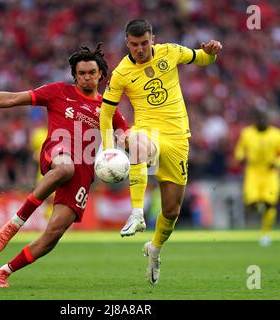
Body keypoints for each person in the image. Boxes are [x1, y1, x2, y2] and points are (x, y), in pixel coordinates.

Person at [0, 44, 129, 287]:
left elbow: (125, 133)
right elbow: (11, 98)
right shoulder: (59, 91)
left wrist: (130, 142)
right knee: (64, 168)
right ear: (75, 75)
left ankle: (4, 271)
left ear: (101, 74)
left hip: (84, 173)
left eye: (91, 72)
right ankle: (16, 222)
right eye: (81, 73)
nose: (87, 77)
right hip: (58, 151)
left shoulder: (107, 107)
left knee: (53, 235)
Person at [99, 19, 222, 284]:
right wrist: (108, 150)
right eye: (134, 45)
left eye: (144, 43)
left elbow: (202, 59)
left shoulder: (171, 52)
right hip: (147, 131)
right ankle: (136, 214)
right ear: (126, 43)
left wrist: (211, 53)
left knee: (172, 210)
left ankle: (154, 248)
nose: (140, 49)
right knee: (138, 144)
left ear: (152, 38)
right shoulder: (121, 72)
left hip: (178, 137)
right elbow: (106, 113)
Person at [235, 108, 280, 246]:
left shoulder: (277, 135)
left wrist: (278, 162)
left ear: (268, 120)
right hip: (253, 173)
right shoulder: (247, 133)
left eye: (264, 118)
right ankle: (257, 207)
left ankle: (266, 234)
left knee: (270, 204)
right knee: (251, 202)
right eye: (259, 118)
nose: (262, 121)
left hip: (270, 174)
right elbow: (239, 150)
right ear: (255, 120)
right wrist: (241, 157)